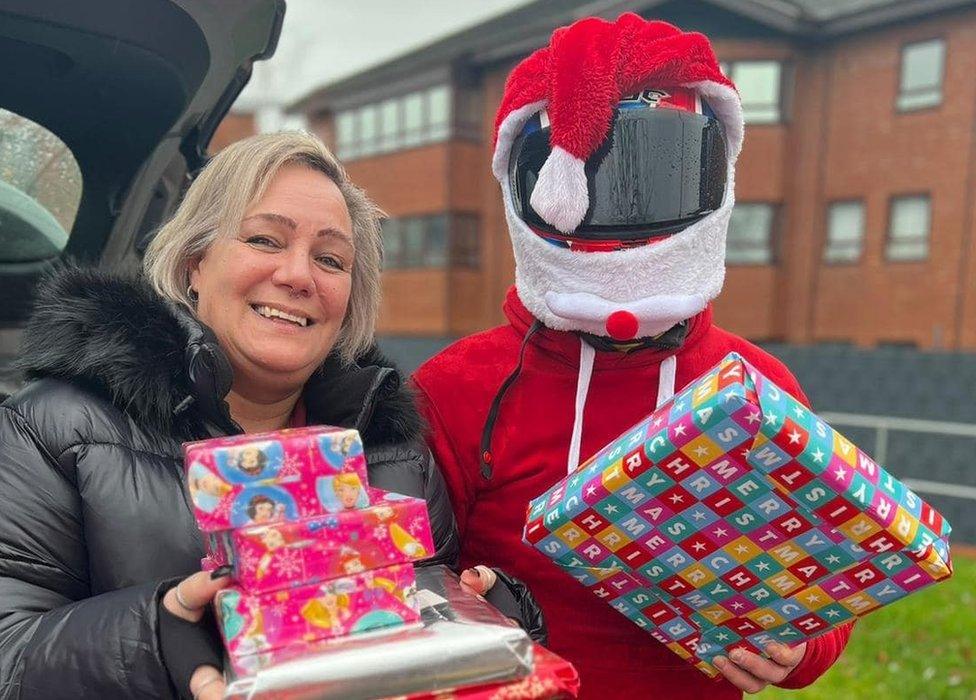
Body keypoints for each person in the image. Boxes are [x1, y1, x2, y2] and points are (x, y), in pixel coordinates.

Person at [0, 132, 540, 700]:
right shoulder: (54, 428)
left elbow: (421, 633)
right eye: (264, 239)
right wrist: (157, 634)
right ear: (194, 264)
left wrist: (491, 622)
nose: (298, 276)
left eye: (330, 259)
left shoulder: (395, 456)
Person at [413, 14, 853, 700]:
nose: (620, 214)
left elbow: (818, 590)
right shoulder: (457, 387)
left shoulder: (757, 388)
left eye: (655, 175)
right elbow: (405, 584)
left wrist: (800, 650)